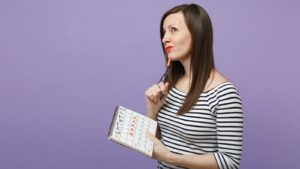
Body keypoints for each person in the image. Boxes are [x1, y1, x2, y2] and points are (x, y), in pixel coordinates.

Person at [145, 4, 243, 169]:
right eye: (164, 32)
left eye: (173, 30)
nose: (164, 38)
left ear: (197, 34)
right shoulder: (170, 83)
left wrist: (171, 158)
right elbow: (156, 143)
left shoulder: (224, 94)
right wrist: (152, 111)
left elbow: (230, 161)